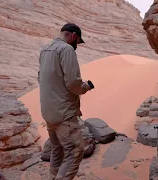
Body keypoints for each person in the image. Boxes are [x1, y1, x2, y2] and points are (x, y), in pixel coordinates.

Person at [38, 23, 91, 180]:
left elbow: (41, 78)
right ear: (73, 36)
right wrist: (86, 87)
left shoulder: (45, 51)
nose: (76, 46)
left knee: (57, 149)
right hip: (63, 114)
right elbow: (73, 84)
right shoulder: (66, 50)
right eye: (78, 42)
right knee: (76, 150)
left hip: (48, 113)